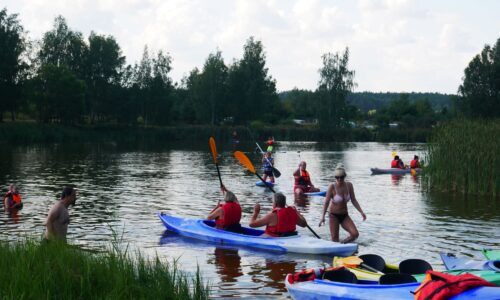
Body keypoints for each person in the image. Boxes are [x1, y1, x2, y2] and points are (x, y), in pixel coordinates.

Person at [319, 164, 366, 243]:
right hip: (333, 215)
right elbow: (326, 202)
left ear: (344, 176)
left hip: (344, 215)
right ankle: (337, 245)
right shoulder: (332, 186)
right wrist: (322, 217)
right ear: (335, 177)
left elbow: (353, 200)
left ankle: (342, 244)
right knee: (334, 240)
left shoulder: (349, 185)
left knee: (355, 234)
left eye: (341, 177)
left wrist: (361, 212)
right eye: (337, 177)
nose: (339, 179)